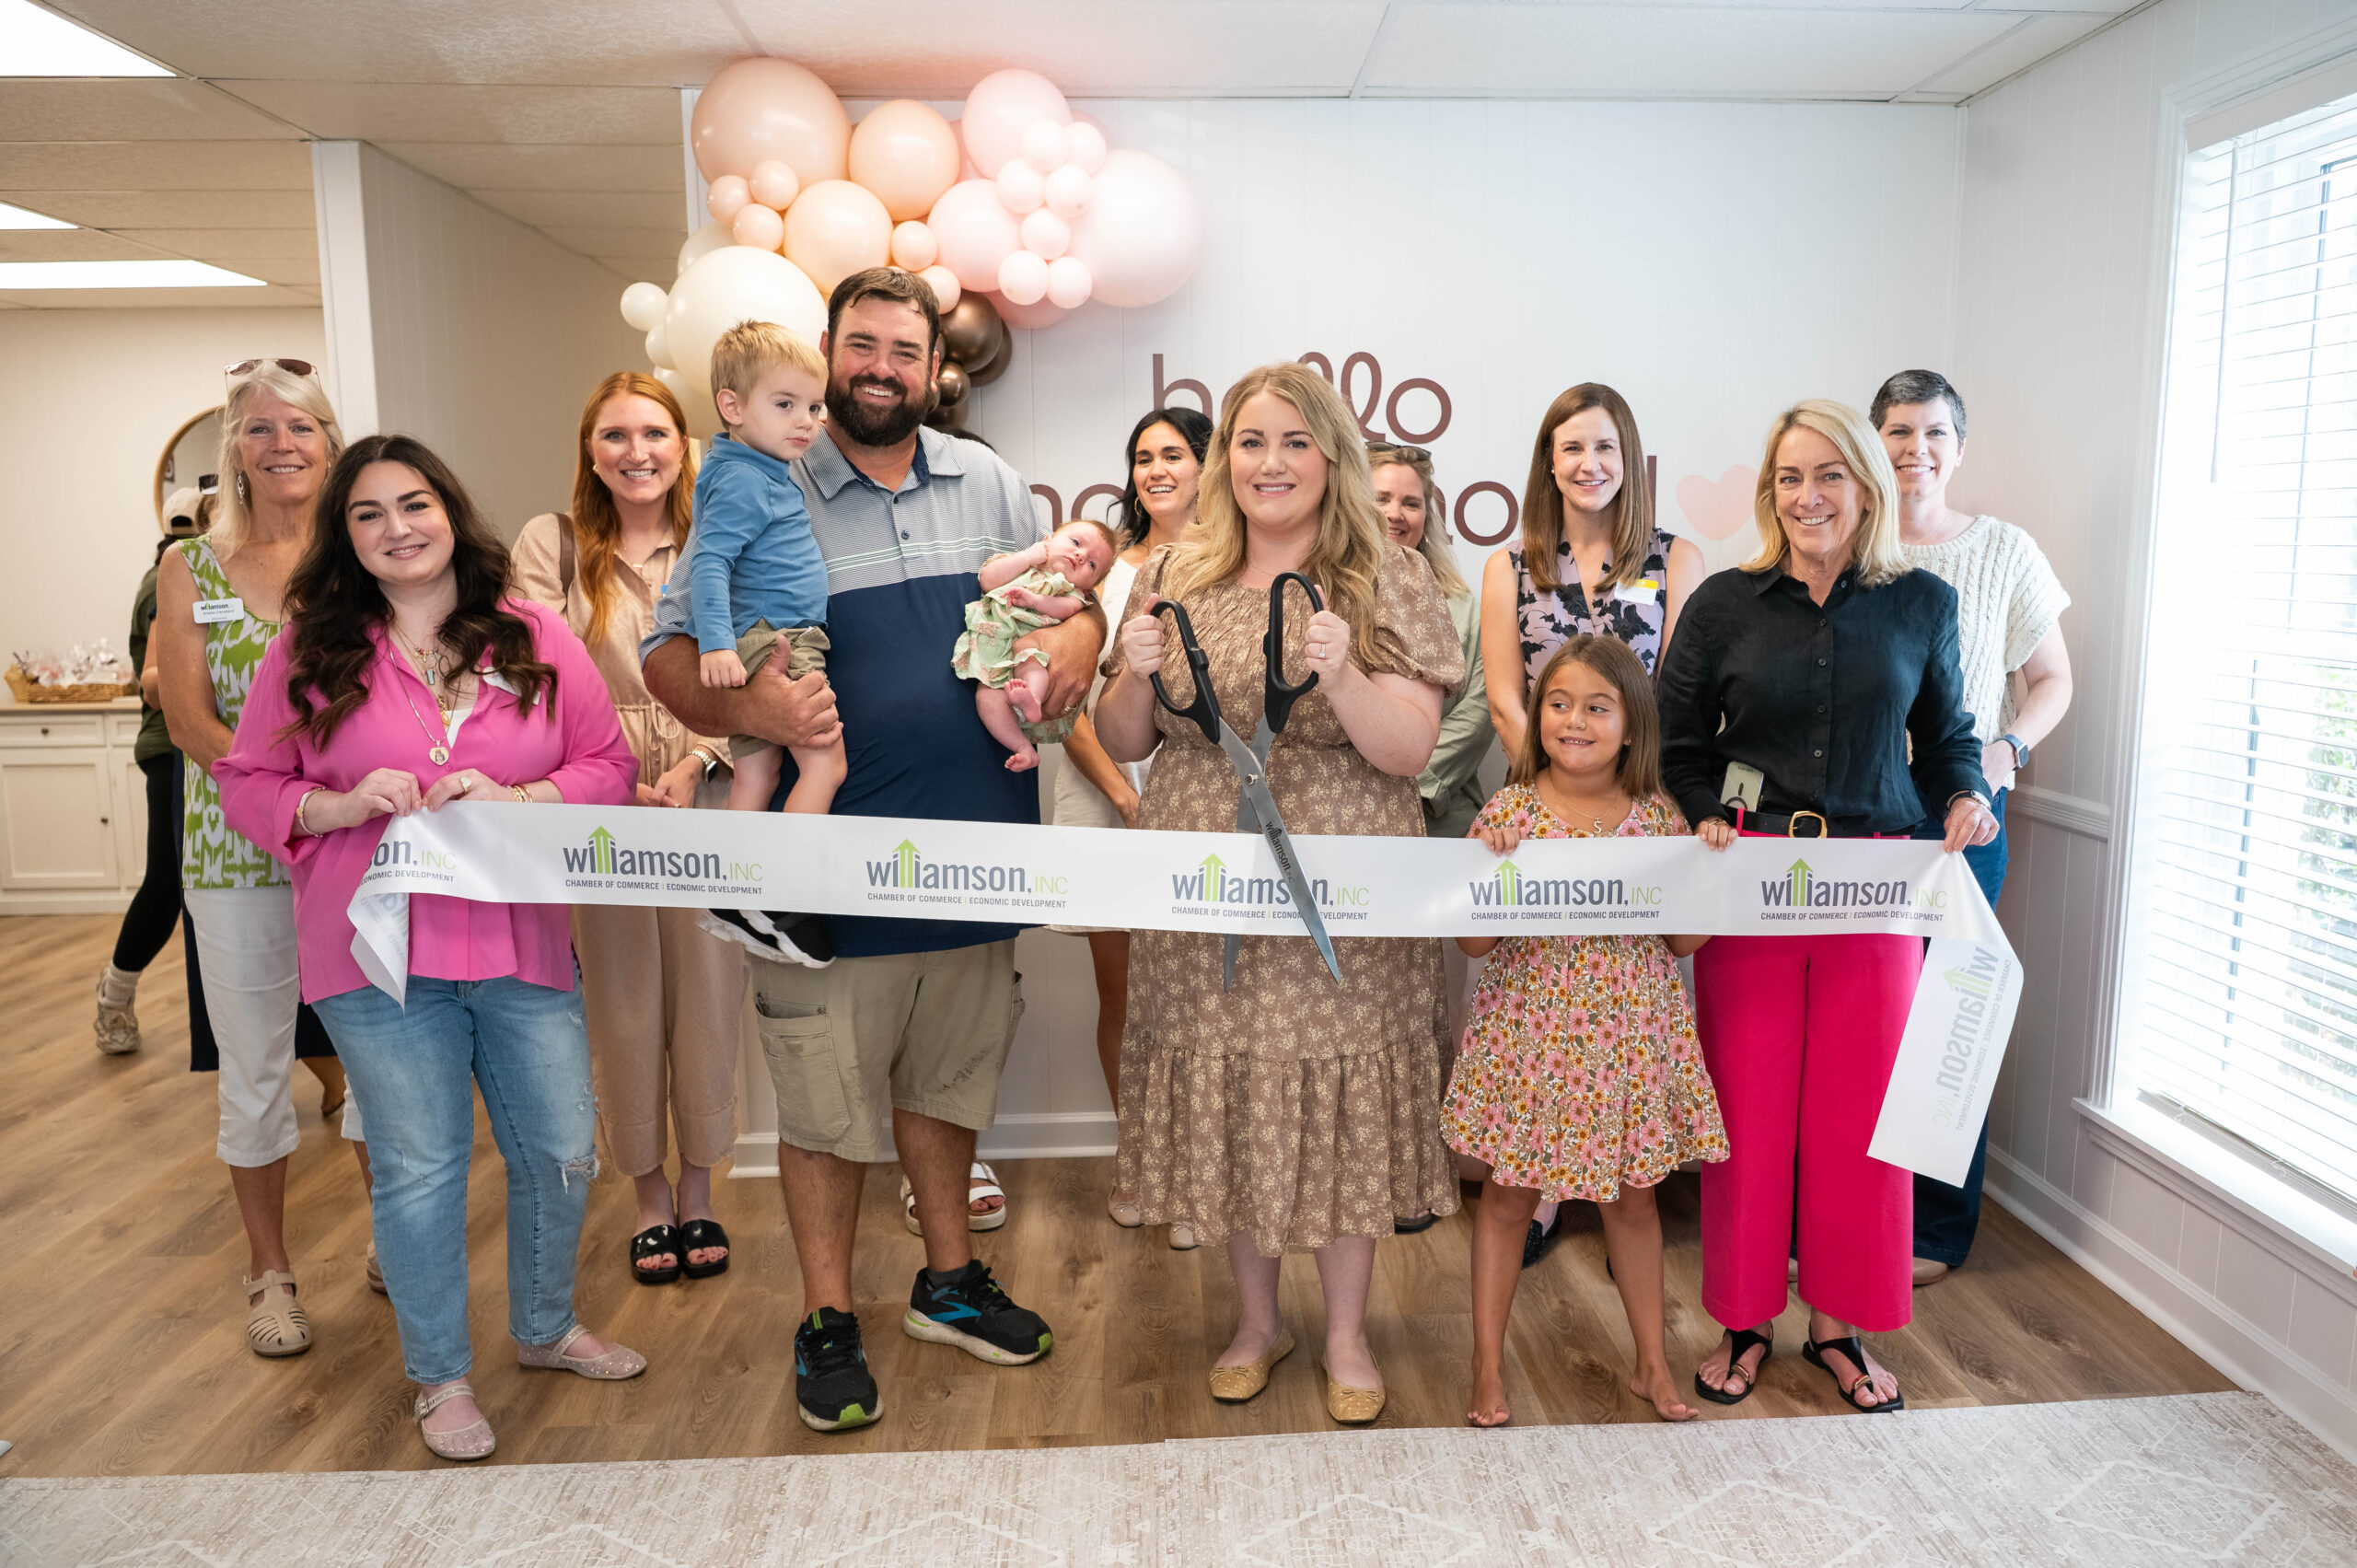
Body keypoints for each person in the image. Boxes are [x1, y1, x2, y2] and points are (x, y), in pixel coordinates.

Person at [642, 266, 1103, 1434]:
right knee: (823, 1105)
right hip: (824, 873)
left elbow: (1068, 599)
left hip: (973, 857)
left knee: (949, 1086)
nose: (881, 368)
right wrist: (760, 718)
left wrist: (1081, 649)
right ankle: (829, 1314)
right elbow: (668, 658)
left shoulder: (987, 477)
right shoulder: (763, 474)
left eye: (905, 349)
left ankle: (948, 1281)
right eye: (862, 345)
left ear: (934, 368)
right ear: (828, 350)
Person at [217, 433, 645, 1462]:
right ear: (345, 536)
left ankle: (543, 1327)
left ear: (450, 510)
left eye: (413, 504)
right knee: (417, 1167)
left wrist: (520, 795)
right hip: (375, 956)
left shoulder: (535, 633)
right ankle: (439, 1374)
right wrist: (336, 800)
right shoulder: (309, 651)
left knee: (558, 1145)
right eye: (368, 514)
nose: (396, 528)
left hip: (522, 940)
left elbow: (608, 764)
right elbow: (245, 783)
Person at [1096, 362, 1465, 1426]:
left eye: (1295, 442)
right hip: (1207, 882)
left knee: (1339, 1095)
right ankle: (1257, 1323)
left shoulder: (1386, 575)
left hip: (1342, 891)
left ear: (1332, 457)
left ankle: (1347, 1331)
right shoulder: (1176, 565)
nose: (1271, 463)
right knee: (1236, 1089)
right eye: (1251, 442)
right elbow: (1129, 739)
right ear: (1225, 461)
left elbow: (1404, 752)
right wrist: (1130, 667)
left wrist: (1345, 674)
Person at [1658, 399, 1996, 1415]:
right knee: (1750, 1115)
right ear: (1771, 493)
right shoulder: (1723, 602)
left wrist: (1964, 794)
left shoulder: (1920, 605)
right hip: (1753, 883)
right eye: (1789, 479)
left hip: (1876, 884)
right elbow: (1678, 744)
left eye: (1829, 476)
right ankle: (1746, 1317)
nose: (1809, 497)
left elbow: (1946, 738)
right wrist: (1709, 811)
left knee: (1860, 1122)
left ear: (1865, 485)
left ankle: (1839, 1325)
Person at [1445, 636, 1727, 1425]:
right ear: (1538, 719)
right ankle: (1487, 1365)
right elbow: (1472, 943)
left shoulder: (1662, 818)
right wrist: (1486, 866)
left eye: (1597, 707)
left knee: (1636, 1203)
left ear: (1632, 726)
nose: (1575, 720)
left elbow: (1684, 944)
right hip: (1530, 1039)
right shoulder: (1511, 812)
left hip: (1630, 1041)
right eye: (1559, 704)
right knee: (1506, 1200)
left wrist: (1702, 868)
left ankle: (1650, 1362)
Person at [511, 372, 747, 1287]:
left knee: (708, 995)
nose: (637, 450)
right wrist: (609, 776)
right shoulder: (554, 545)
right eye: (615, 434)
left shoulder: (720, 543)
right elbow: (528, 673)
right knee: (620, 1000)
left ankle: (700, 1188)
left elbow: (754, 661)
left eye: (655, 432)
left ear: (683, 446)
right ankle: (648, 1196)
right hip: (596, 791)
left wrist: (697, 759)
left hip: (708, 783)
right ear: (589, 450)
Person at [154, 359, 369, 1358]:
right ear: (234, 453)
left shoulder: (365, 559)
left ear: (331, 440)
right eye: (260, 429)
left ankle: (390, 1241)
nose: (282, 443)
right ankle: (269, 1270)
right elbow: (192, 716)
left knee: (380, 1057)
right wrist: (280, 801)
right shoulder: (191, 567)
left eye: (302, 426)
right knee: (255, 1068)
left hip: (359, 845)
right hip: (237, 851)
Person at [1476, 383, 1701, 1263]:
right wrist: (1553, 789)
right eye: (1571, 449)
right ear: (1549, 462)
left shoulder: (1675, 560)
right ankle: (1536, 1189)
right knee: (1539, 998)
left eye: (1604, 448)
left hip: (1641, 803)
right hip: (1541, 805)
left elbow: (1680, 695)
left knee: (1625, 1000)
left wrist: (1634, 791)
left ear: (1629, 459)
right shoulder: (1511, 565)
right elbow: (1504, 694)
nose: (1588, 464)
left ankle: (1620, 1187)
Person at [1874, 368, 2073, 1283]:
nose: (1916, 449)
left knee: (1950, 1010)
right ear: (1874, 441)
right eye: (1899, 431)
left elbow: (2052, 681)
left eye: (1934, 433)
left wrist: (2007, 752)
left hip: (1962, 812)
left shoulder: (2004, 550)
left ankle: (1935, 1229)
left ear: (1959, 447)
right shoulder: (1856, 542)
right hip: (1864, 813)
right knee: (1868, 1017)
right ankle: (1855, 1212)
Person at [1054, 407, 1212, 1250]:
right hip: (1106, 792)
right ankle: (1142, 1162)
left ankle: (1197, 1175)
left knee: (1194, 1000)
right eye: (1143, 457)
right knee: (1124, 995)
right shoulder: (1102, 570)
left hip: (1202, 807)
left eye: (1174, 455)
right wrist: (1125, 797)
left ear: (1206, 465)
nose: (1157, 470)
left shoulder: (1235, 562)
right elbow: (1071, 707)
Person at [688, 320, 841, 967]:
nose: (804, 422)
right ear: (732, 406)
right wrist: (716, 645)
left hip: (762, 634)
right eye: (785, 405)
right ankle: (781, 892)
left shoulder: (752, 468)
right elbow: (708, 562)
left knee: (757, 768)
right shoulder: (749, 478)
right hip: (776, 638)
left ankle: (732, 888)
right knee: (825, 765)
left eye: (813, 407)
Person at [94, 491, 208, 1054]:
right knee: (167, 884)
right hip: (174, 747)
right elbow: (157, 684)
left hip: (213, 743)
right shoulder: (174, 573)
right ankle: (115, 995)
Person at [1371, 443, 1492, 842]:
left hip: (1440, 823)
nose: (1395, 514)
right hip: (1337, 818)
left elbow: (1477, 714)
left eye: (1411, 502)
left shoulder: (1463, 607)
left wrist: (1408, 787)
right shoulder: (1322, 596)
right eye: (1381, 498)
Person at [955, 517, 1119, 769]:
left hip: (1030, 650)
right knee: (986, 698)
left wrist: (1035, 601)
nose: (1081, 555)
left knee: (1031, 657)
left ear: (1089, 588)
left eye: (1093, 564)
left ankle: (1031, 697)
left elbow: (1064, 610)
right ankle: (1022, 746)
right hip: (995, 659)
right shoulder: (1018, 563)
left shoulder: (1072, 593)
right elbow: (988, 579)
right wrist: (1028, 557)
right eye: (1075, 542)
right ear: (1047, 540)